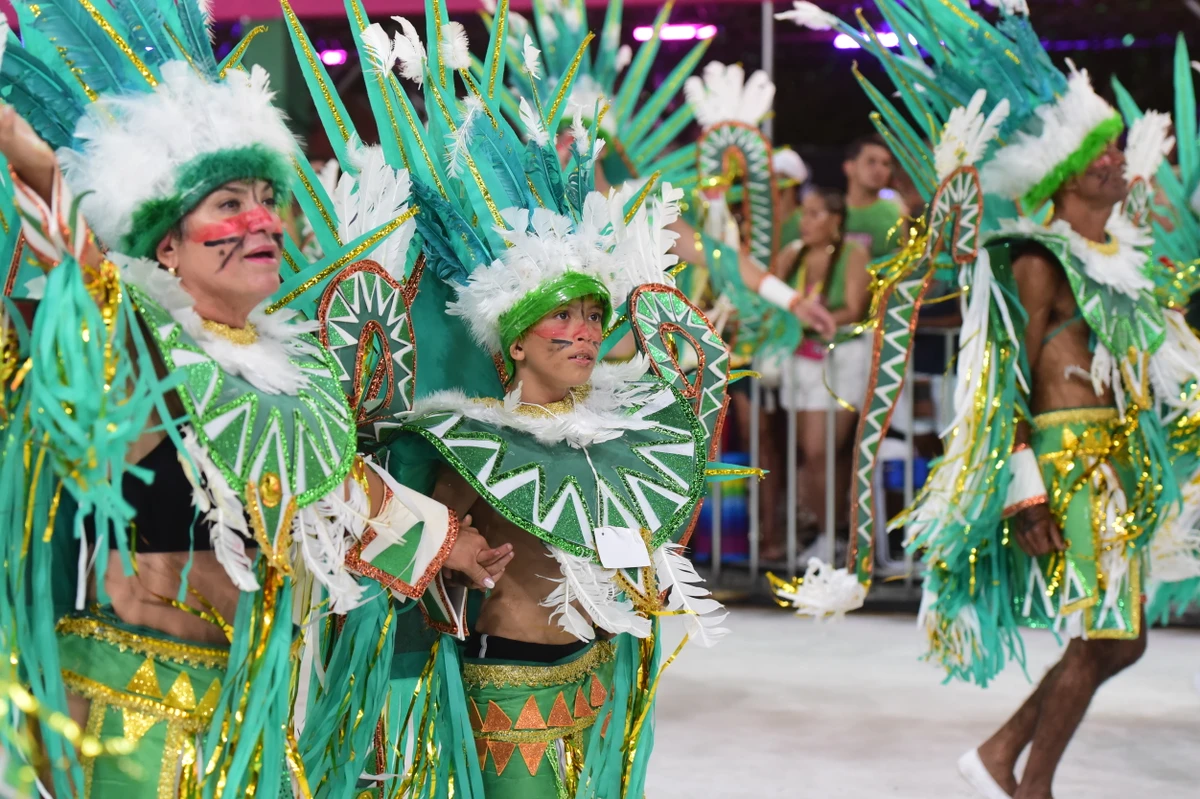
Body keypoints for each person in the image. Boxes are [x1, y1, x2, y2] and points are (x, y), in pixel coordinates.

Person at [0, 6, 509, 795]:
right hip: (136, 717)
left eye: (265, 200)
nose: (261, 220)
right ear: (166, 243)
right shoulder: (141, 343)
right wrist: (25, 152)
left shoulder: (291, 369)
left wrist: (450, 545)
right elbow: (75, 249)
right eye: (227, 205)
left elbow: (334, 487)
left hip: (247, 715)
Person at [781, 2, 1200, 795]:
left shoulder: (1122, 258)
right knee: (1109, 632)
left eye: (1116, 150)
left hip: (1118, 462)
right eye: (1101, 153)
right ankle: (1026, 779)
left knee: (1119, 637)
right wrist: (1024, 486)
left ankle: (1002, 756)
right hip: (1068, 461)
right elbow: (1000, 372)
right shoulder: (1036, 258)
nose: (1117, 161)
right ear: (1064, 172)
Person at [771, 188, 871, 555]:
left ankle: (832, 536)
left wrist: (810, 318)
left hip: (839, 358)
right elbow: (772, 301)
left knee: (821, 451)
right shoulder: (791, 254)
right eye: (804, 213)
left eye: (815, 213)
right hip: (798, 359)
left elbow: (855, 309)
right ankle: (830, 534)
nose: (805, 220)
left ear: (836, 219)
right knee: (814, 453)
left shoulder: (853, 254)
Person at [843, 134, 905, 259]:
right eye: (871, 161)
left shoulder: (898, 213)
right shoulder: (829, 213)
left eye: (885, 164)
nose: (879, 169)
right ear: (849, 167)